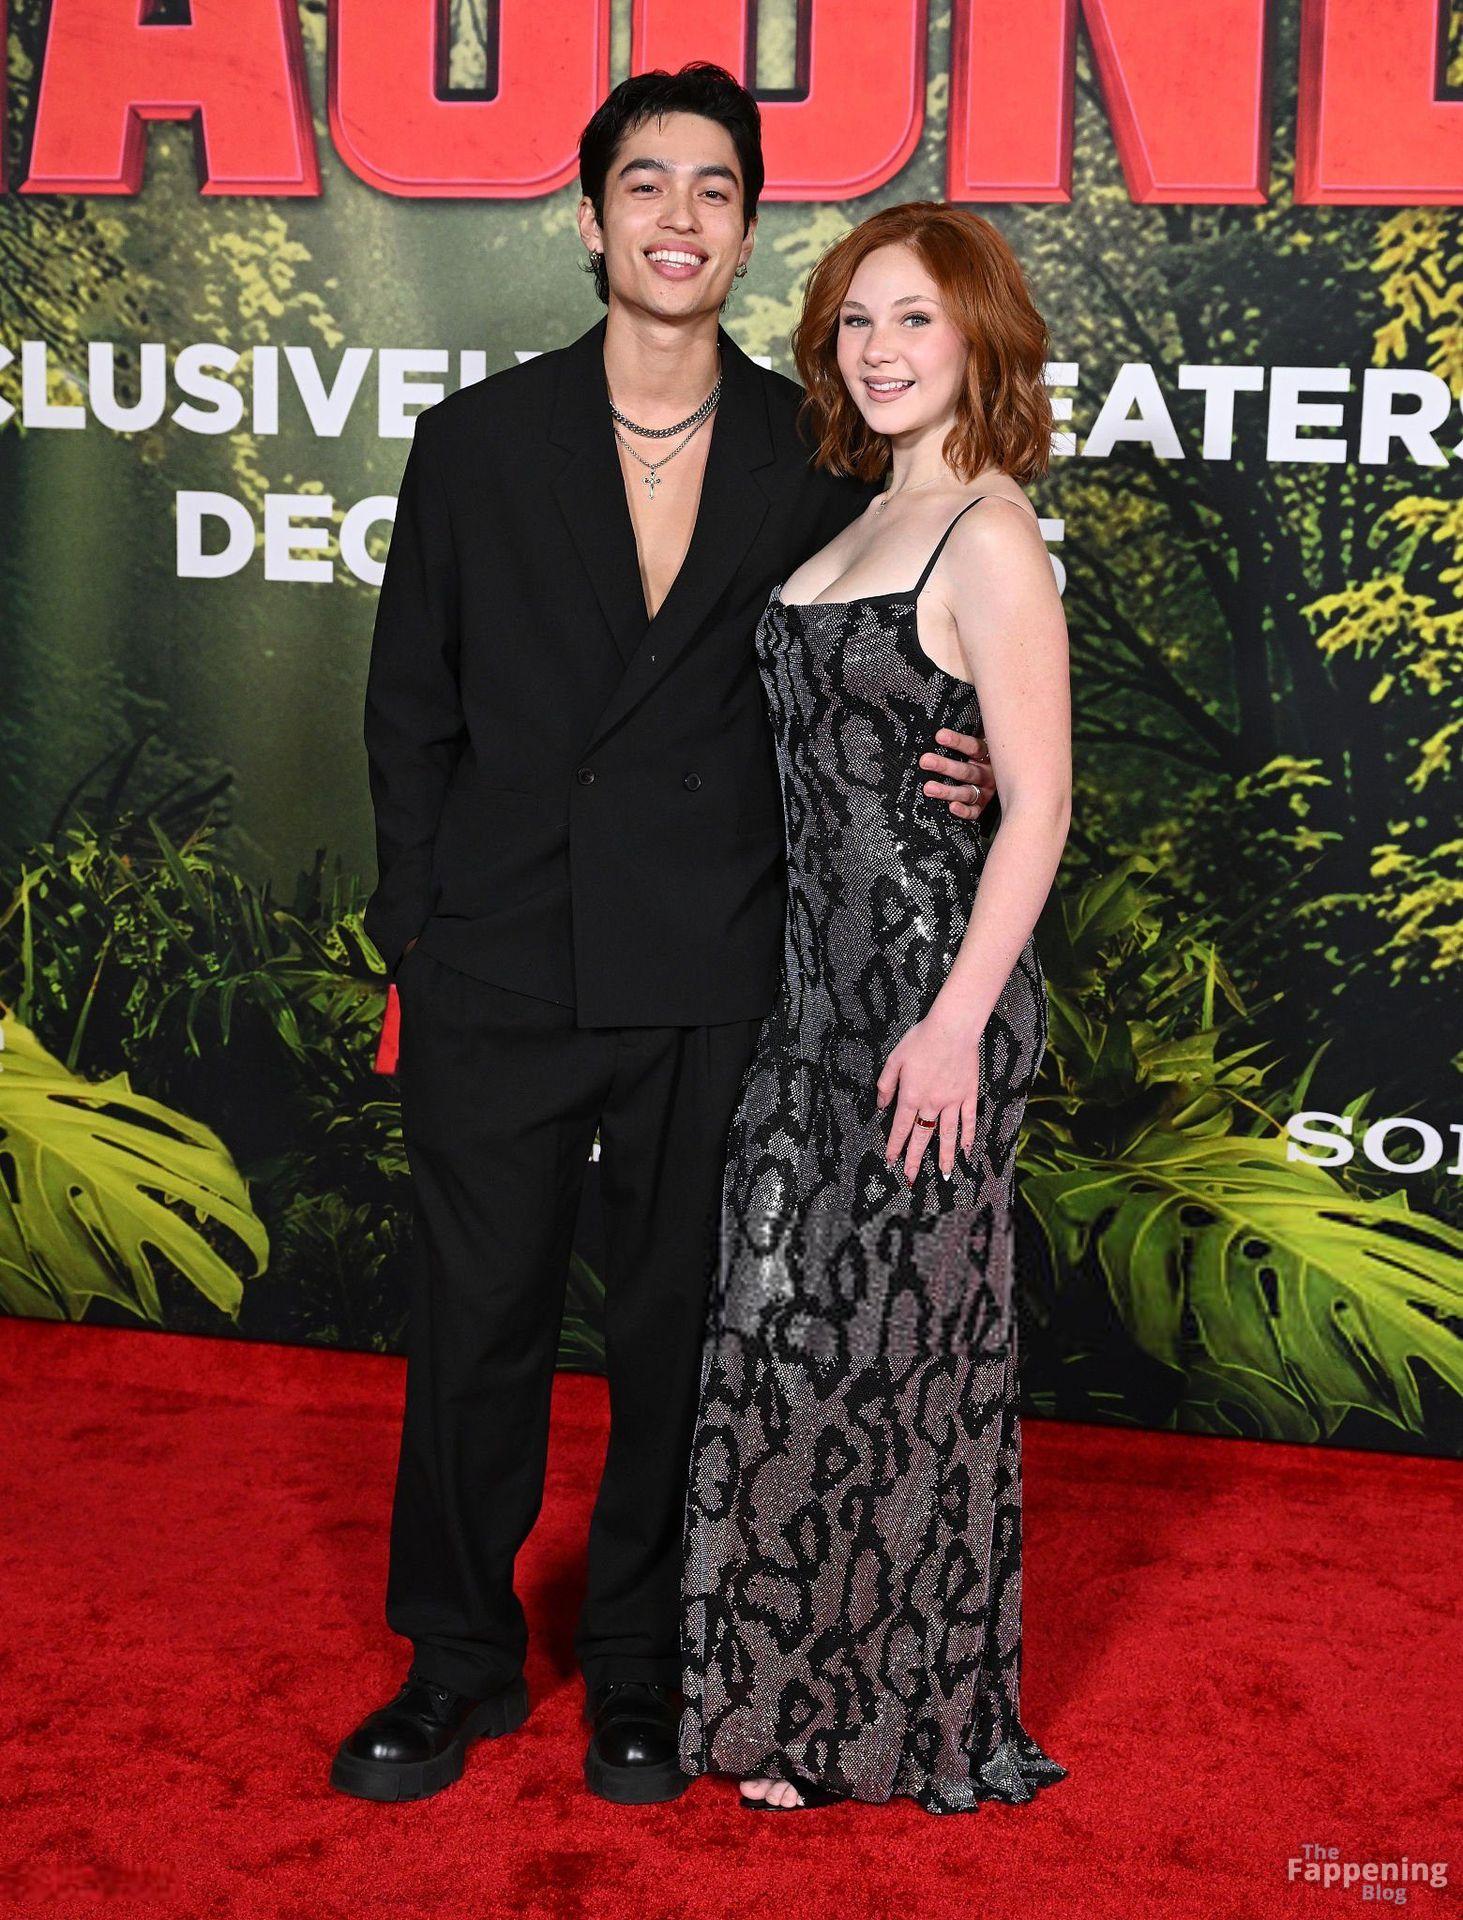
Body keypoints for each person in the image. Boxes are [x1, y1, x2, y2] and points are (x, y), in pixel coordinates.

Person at [332, 68, 997, 1808]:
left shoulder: (818, 452)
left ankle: (641, 1660)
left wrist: (986, 746)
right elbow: (409, 713)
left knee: (678, 1333)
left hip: (717, 964)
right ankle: (457, 1660)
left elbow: (897, 650)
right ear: (592, 218)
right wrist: (422, 934)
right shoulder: (478, 441)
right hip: (498, 962)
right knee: (474, 1327)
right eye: (646, 185)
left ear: (749, 228)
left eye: (714, 188)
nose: (679, 217)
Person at [678, 201, 1072, 1814]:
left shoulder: (988, 530)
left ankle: (882, 1725)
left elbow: (1038, 804)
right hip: (813, 1001)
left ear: (980, 337)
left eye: (916, 318)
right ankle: (788, 1700)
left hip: (927, 1007)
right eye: (857, 321)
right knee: (788, 1342)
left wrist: (956, 1023)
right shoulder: (859, 514)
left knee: (898, 1365)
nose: (882, 349)